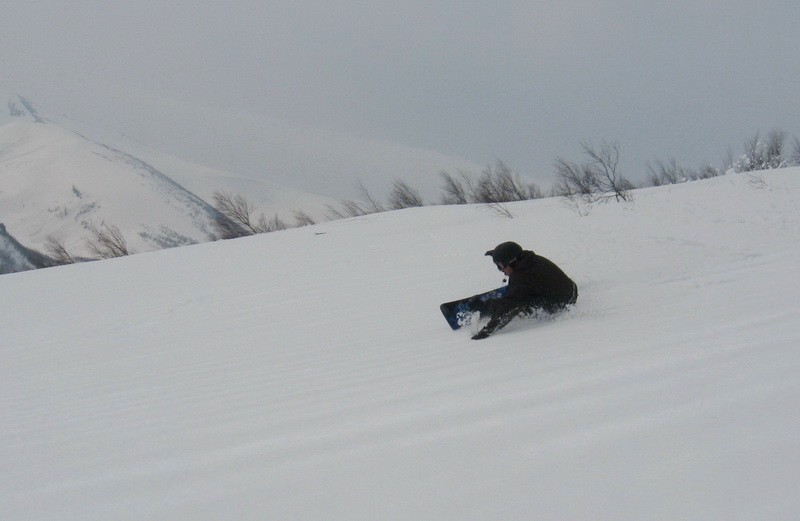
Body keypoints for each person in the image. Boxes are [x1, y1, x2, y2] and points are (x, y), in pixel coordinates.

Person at [470, 241, 578, 340]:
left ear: (512, 262)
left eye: (501, 266)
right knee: (519, 293)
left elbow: (509, 308)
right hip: (570, 289)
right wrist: (496, 254)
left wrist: (488, 330)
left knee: (515, 302)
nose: (501, 270)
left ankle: (481, 307)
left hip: (561, 304)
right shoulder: (529, 259)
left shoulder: (521, 277)